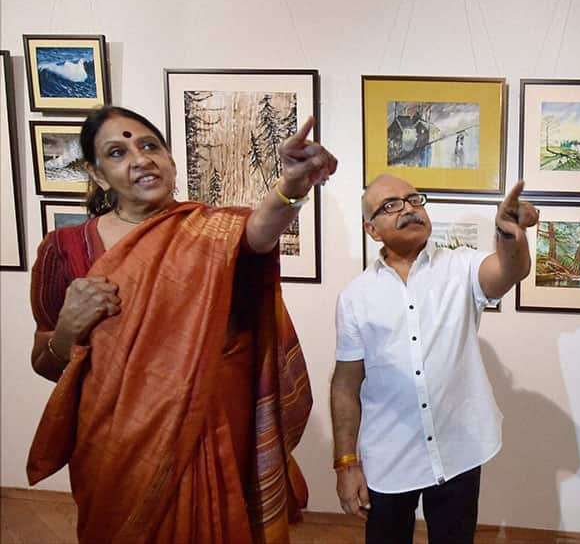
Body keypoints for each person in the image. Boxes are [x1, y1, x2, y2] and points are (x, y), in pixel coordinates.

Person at [27, 105, 337, 544]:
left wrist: (291, 185)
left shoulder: (213, 231)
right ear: (98, 176)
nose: (140, 158)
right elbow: (45, 362)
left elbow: (260, 230)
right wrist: (67, 329)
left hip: (211, 427)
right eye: (117, 152)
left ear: (171, 161)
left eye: (149, 145)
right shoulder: (66, 249)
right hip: (116, 446)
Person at [330, 174, 538, 544]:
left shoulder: (460, 267)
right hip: (389, 456)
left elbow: (510, 270)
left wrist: (509, 234)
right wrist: (346, 463)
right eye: (391, 205)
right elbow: (346, 384)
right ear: (372, 229)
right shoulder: (355, 298)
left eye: (414, 199)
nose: (409, 208)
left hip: (459, 447)